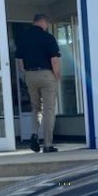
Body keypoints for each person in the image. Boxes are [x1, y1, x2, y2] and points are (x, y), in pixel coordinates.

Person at [15, 13, 61, 153]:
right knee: (48, 110)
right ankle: (47, 144)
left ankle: (34, 134)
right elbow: (54, 60)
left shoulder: (23, 38)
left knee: (35, 108)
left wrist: (26, 74)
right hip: (46, 74)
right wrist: (57, 76)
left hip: (29, 75)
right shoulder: (48, 38)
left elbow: (19, 61)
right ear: (44, 23)